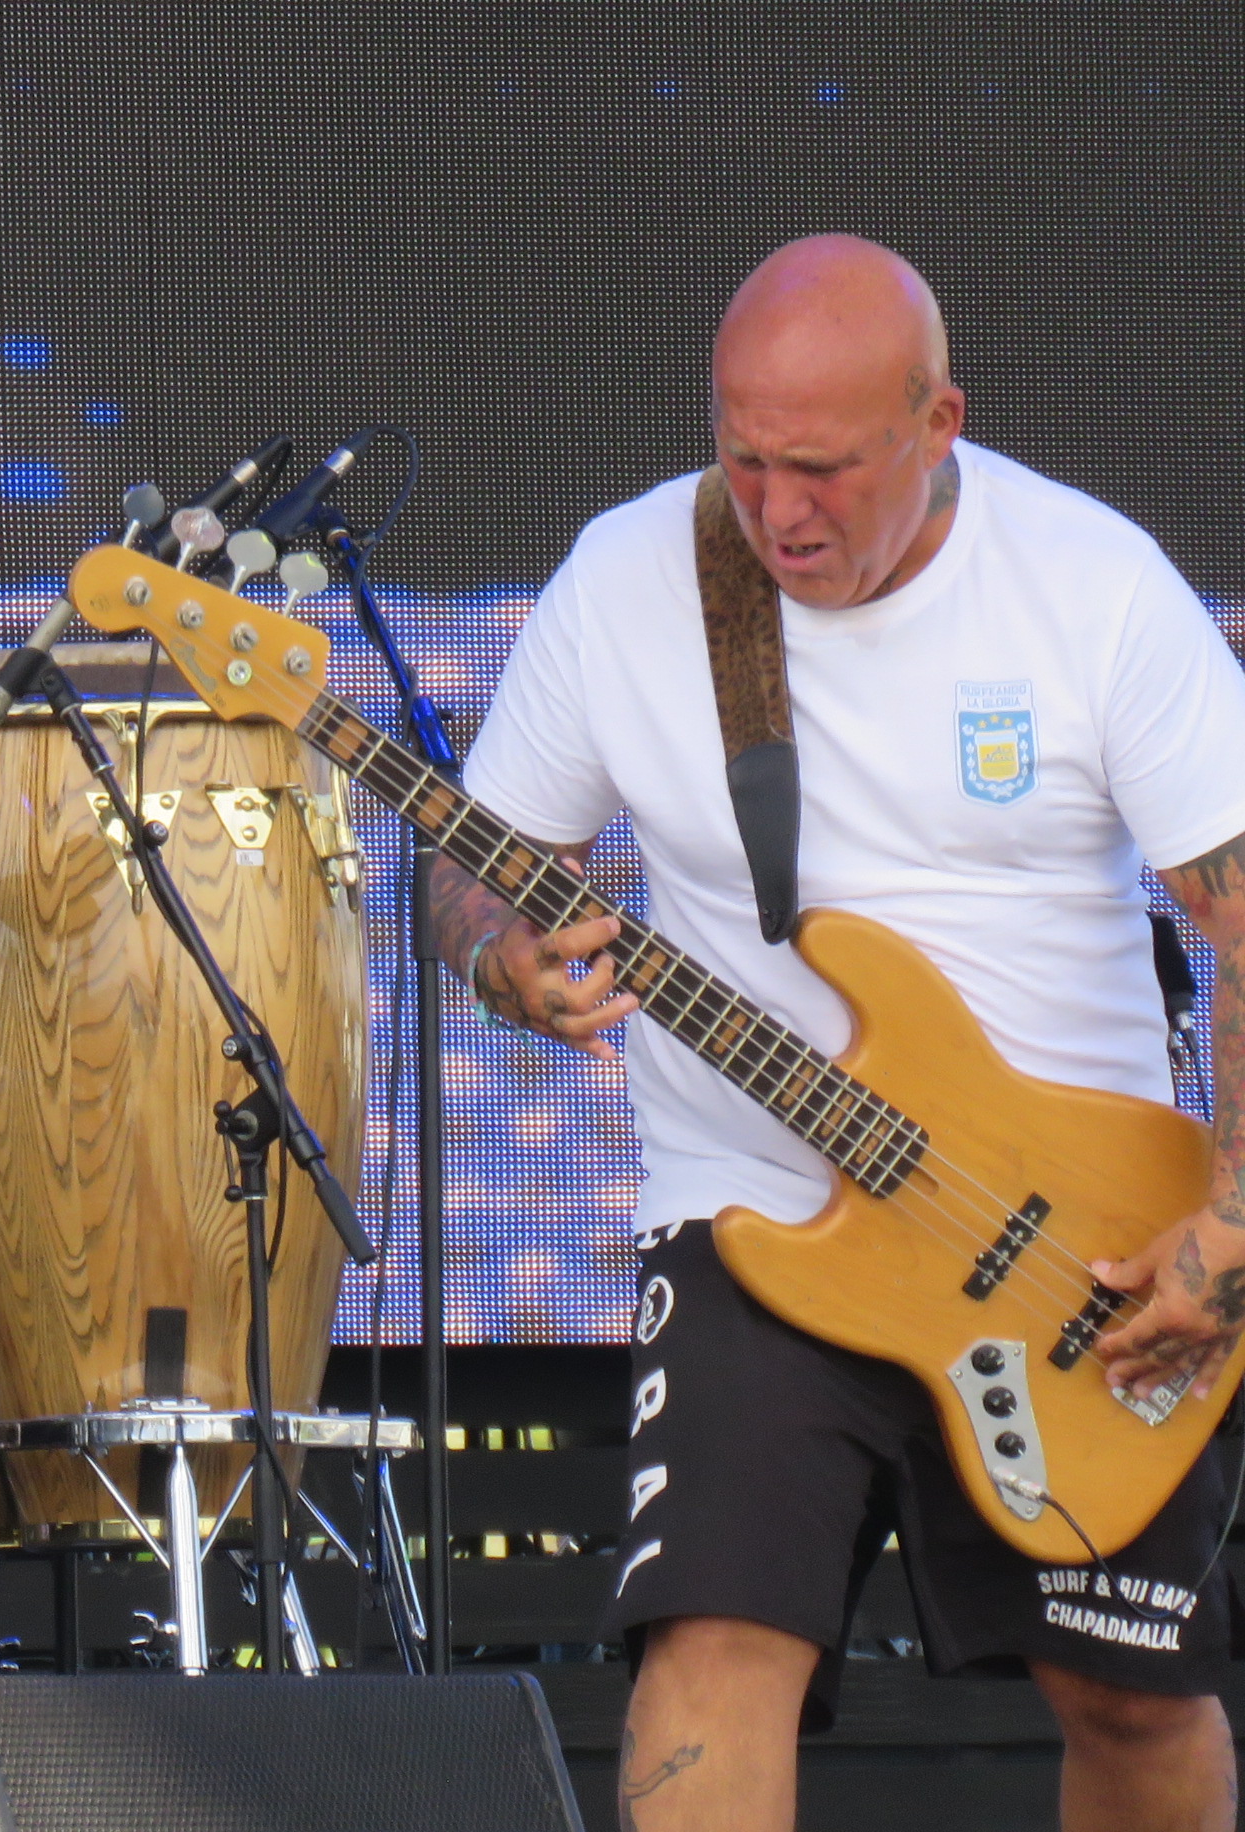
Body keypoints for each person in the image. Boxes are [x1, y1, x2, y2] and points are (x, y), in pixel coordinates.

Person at [430, 233, 1245, 1832]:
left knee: (1132, 1699)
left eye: (822, 470)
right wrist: (501, 959)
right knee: (717, 1645)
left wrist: (1228, 1220)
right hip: (754, 1202)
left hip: (1068, 1233)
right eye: (742, 461)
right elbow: (473, 861)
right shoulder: (630, 579)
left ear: (940, 427)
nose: (778, 513)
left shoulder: (1089, 586)